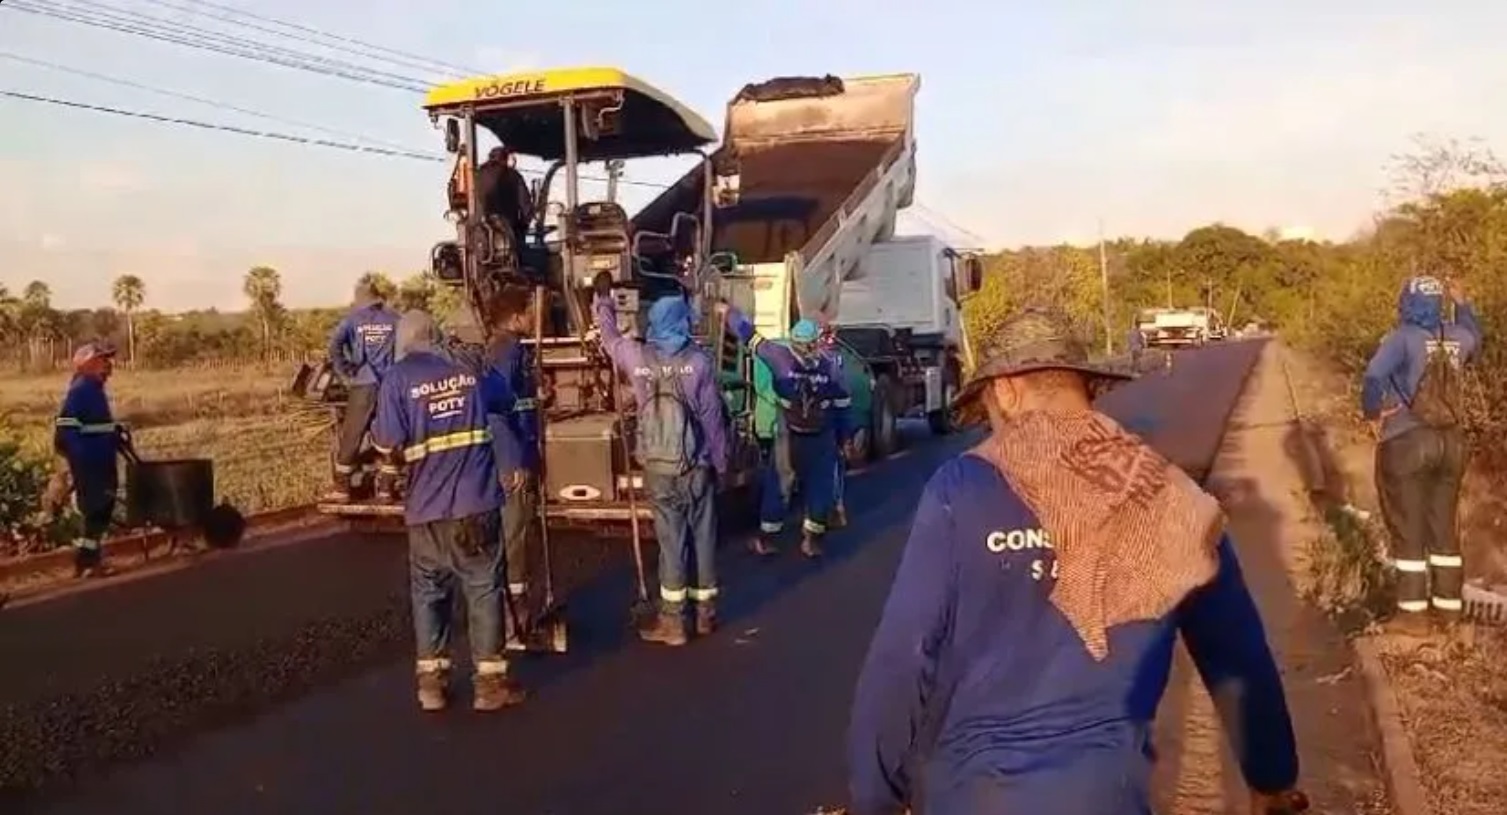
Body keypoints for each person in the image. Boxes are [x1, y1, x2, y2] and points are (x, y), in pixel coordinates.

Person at [846, 306, 1304, 815]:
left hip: (974, 794)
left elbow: (903, 657)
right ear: (1086, 387)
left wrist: (876, 797)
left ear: (1006, 391)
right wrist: (1272, 776)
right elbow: (1236, 651)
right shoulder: (1170, 494)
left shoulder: (960, 489)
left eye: (990, 413)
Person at [371, 310, 528, 712]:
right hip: (477, 504)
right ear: (436, 335)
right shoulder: (469, 369)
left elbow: (387, 440)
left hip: (426, 509)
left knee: (428, 593)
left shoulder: (396, 379)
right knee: (482, 589)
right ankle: (490, 686)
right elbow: (507, 400)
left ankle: (431, 685)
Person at [590, 275, 729, 645]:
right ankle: (704, 615)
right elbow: (713, 417)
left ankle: (673, 623)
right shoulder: (699, 362)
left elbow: (609, 340)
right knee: (704, 537)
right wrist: (721, 462)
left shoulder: (638, 357)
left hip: (657, 466)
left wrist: (603, 300)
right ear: (683, 321)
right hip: (696, 465)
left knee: (671, 542)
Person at [1361, 275, 1481, 631]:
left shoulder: (1402, 338)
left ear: (1407, 302)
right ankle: (1449, 609)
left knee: (1407, 526)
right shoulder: (1458, 337)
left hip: (1407, 440)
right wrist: (1462, 304)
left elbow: (1373, 377)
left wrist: (1371, 414)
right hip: (1453, 444)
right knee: (1444, 527)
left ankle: (1412, 613)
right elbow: (1477, 337)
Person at [444, 296, 542, 650]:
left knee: (504, 545)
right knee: (512, 543)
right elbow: (498, 413)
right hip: (507, 463)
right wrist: (515, 460)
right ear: (515, 317)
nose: (535, 316)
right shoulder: (506, 352)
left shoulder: (499, 351)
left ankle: (505, 624)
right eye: (529, 310)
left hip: (496, 463)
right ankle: (513, 629)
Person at [719, 305, 852, 559]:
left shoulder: (779, 356)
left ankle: (767, 538)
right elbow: (842, 406)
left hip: (788, 436)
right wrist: (845, 439)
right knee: (820, 487)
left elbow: (750, 336)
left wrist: (728, 312)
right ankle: (811, 540)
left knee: (779, 484)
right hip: (821, 437)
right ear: (816, 342)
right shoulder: (831, 367)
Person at [325, 281, 401, 502]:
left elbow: (334, 347)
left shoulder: (353, 320)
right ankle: (386, 489)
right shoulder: (395, 319)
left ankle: (342, 489)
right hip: (390, 385)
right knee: (389, 434)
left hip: (363, 384)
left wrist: (345, 371)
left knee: (352, 435)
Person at [54, 341, 124, 579]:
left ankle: (87, 561)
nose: (108, 366)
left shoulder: (94, 389)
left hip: (101, 460)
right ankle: (88, 563)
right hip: (92, 464)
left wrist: (113, 434)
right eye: (103, 361)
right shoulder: (81, 390)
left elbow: (96, 425)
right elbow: (65, 429)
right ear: (89, 364)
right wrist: (82, 459)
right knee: (96, 511)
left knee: (100, 512)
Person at [477, 145, 534, 247]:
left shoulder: (477, 175)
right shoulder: (513, 176)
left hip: (480, 233)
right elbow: (526, 206)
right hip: (507, 232)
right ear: (505, 159)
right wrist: (523, 226)